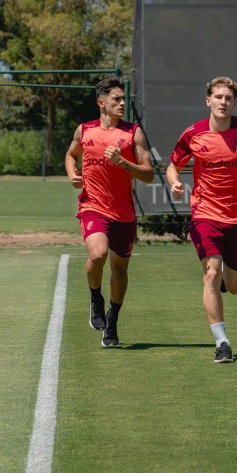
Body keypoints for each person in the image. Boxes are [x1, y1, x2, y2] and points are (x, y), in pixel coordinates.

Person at [165, 77, 237, 363]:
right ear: (208, 101)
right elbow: (172, 165)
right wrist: (175, 182)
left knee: (235, 285)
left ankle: (225, 284)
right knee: (211, 274)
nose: (223, 102)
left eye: (228, 98)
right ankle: (222, 342)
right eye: (218, 97)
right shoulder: (193, 134)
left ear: (234, 103)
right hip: (206, 213)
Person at [65, 78, 155, 348]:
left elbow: (149, 173)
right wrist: (72, 174)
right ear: (101, 103)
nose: (122, 103)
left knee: (119, 268)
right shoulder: (85, 130)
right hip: (92, 206)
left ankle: (113, 319)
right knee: (98, 254)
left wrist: (123, 162)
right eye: (116, 99)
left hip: (124, 213)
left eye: (123, 99)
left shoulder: (133, 133)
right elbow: (71, 155)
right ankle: (95, 297)